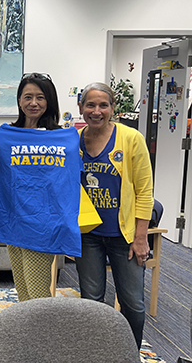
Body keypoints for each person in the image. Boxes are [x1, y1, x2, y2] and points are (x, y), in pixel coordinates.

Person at [75, 82, 153, 349]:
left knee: (132, 300)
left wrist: (141, 237)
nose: (96, 111)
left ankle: (130, 352)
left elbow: (145, 191)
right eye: (90, 105)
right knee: (91, 299)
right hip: (87, 236)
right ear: (80, 108)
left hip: (126, 236)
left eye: (103, 105)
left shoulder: (131, 138)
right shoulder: (74, 141)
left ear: (112, 108)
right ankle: (97, 351)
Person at [0, 73, 64, 302]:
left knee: (38, 295)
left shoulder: (60, 138)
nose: (33, 103)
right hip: (14, 221)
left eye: (40, 97)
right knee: (23, 290)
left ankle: (43, 337)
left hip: (42, 225)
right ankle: (29, 336)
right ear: (19, 100)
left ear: (49, 101)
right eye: (28, 97)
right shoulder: (8, 134)